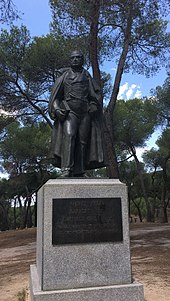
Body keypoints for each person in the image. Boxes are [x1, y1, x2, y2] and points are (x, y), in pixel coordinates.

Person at [48, 50, 105, 177]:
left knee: (83, 141)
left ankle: (80, 170)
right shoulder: (64, 77)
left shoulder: (87, 76)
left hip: (85, 113)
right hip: (70, 112)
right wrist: (57, 109)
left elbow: (94, 96)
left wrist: (94, 105)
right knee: (69, 135)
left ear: (82, 60)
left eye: (78, 57)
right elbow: (55, 97)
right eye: (73, 57)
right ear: (70, 60)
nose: (75, 59)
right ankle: (66, 169)